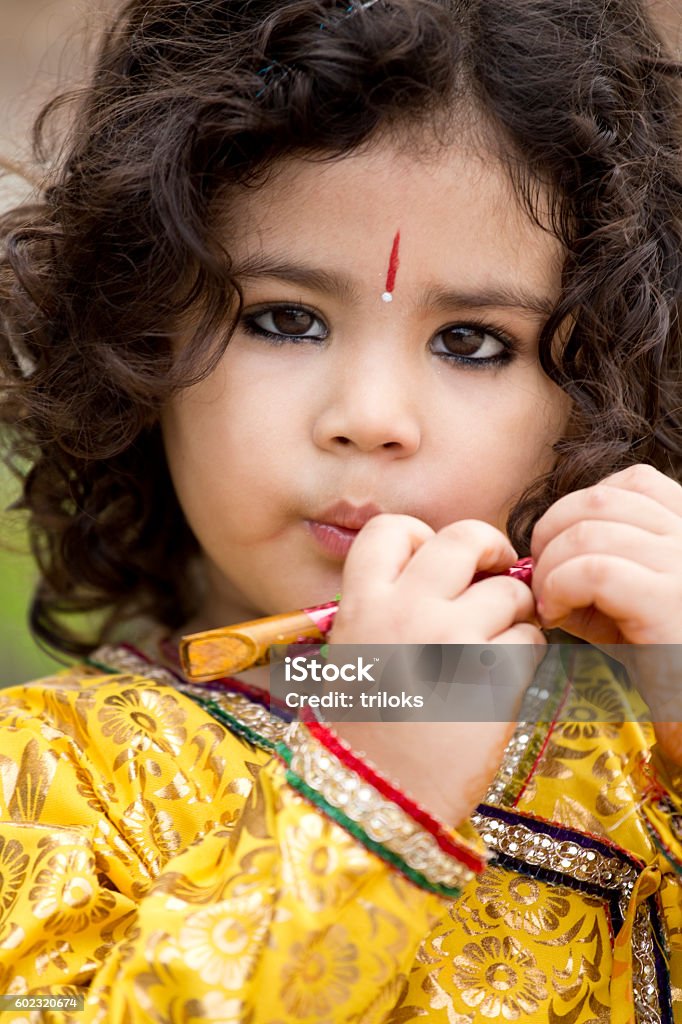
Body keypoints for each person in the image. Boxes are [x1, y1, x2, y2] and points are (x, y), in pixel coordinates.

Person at [0, 0, 680, 1020]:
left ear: (603, 385)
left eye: (472, 342)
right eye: (284, 319)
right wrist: (366, 798)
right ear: (138, 339)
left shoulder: (647, 733)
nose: (368, 419)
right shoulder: (48, 777)